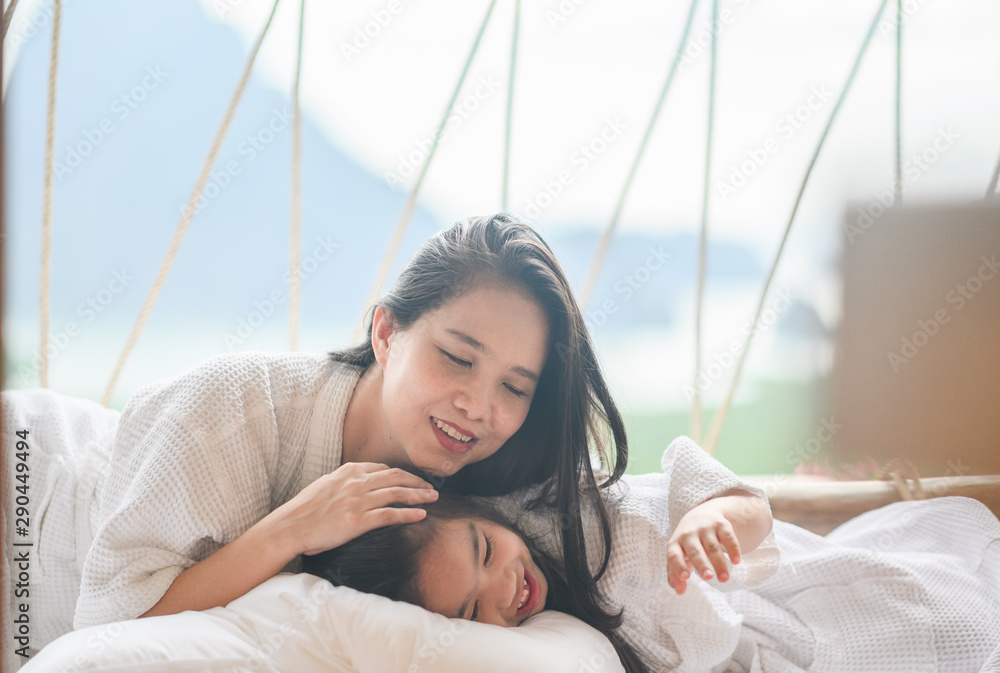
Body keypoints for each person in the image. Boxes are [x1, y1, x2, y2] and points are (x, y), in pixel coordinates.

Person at [68, 213, 657, 634]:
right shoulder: (233, 412)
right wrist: (289, 531)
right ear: (385, 333)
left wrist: (723, 506)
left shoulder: (496, 466)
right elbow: (107, 625)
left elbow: (641, 510)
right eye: (457, 358)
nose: (479, 408)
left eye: (514, 386)